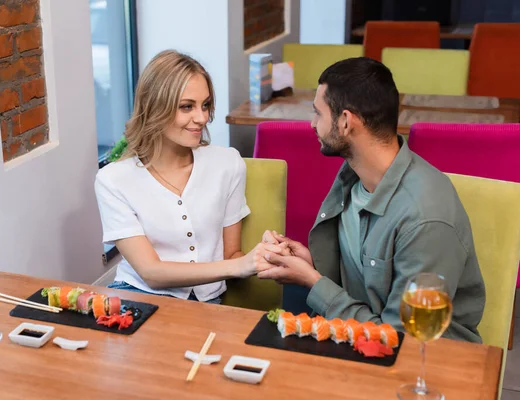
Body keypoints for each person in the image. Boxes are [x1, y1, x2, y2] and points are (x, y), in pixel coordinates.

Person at [256, 57, 486, 342]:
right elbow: (364, 278)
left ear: (345, 122)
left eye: (318, 113)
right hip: (356, 337)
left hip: (426, 364)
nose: (313, 124)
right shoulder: (353, 177)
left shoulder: (425, 217)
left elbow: (401, 341)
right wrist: (311, 265)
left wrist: (313, 282)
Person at [94, 50, 265, 304]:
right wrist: (239, 265)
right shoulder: (113, 180)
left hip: (207, 303)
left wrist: (265, 257)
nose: (202, 118)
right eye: (187, 107)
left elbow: (232, 255)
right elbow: (150, 272)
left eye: (205, 105)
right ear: (155, 108)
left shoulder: (228, 164)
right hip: (138, 298)